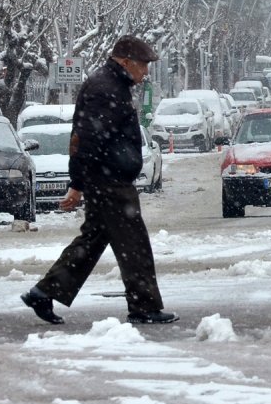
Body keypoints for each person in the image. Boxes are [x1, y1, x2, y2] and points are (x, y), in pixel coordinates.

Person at [21, 36, 178, 326]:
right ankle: (144, 306)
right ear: (126, 61)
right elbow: (87, 140)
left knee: (92, 240)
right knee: (134, 245)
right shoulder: (105, 88)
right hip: (108, 181)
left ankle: (44, 292)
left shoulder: (113, 85)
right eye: (143, 65)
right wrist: (78, 184)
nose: (146, 72)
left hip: (107, 178)